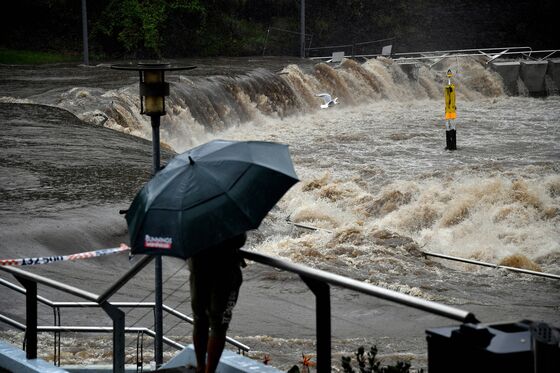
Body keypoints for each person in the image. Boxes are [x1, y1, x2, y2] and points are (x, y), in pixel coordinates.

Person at [188, 233, 247, 373]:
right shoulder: (228, 215)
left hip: (198, 266)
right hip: (225, 271)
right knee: (219, 325)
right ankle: (209, 370)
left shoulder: (192, 217)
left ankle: (200, 367)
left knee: (199, 319)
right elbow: (239, 240)